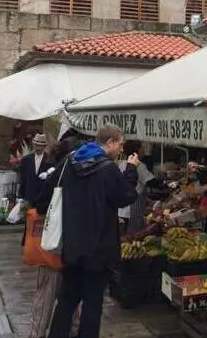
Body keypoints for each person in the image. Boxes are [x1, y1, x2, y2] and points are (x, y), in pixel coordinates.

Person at [47, 124, 139, 338]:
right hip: (99, 248)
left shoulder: (71, 161)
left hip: (72, 244)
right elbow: (125, 196)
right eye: (120, 145)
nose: (121, 150)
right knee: (92, 303)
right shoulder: (107, 168)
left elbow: (50, 184)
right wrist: (131, 169)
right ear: (110, 142)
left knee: (67, 299)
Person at [27, 140, 78, 338]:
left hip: (53, 243)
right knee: (70, 293)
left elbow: (40, 205)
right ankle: (71, 329)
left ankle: (38, 332)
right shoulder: (71, 174)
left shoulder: (55, 174)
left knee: (46, 293)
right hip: (69, 245)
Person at [117, 142, 156, 236]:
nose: (144, 151)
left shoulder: (122, 163)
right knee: (132, 236)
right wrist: (165, 185)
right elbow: (151, 181)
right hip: (132, 209)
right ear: (137, 150)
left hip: (120, 209)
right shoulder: (139, 165)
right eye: (142, 148)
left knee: (122, 236)